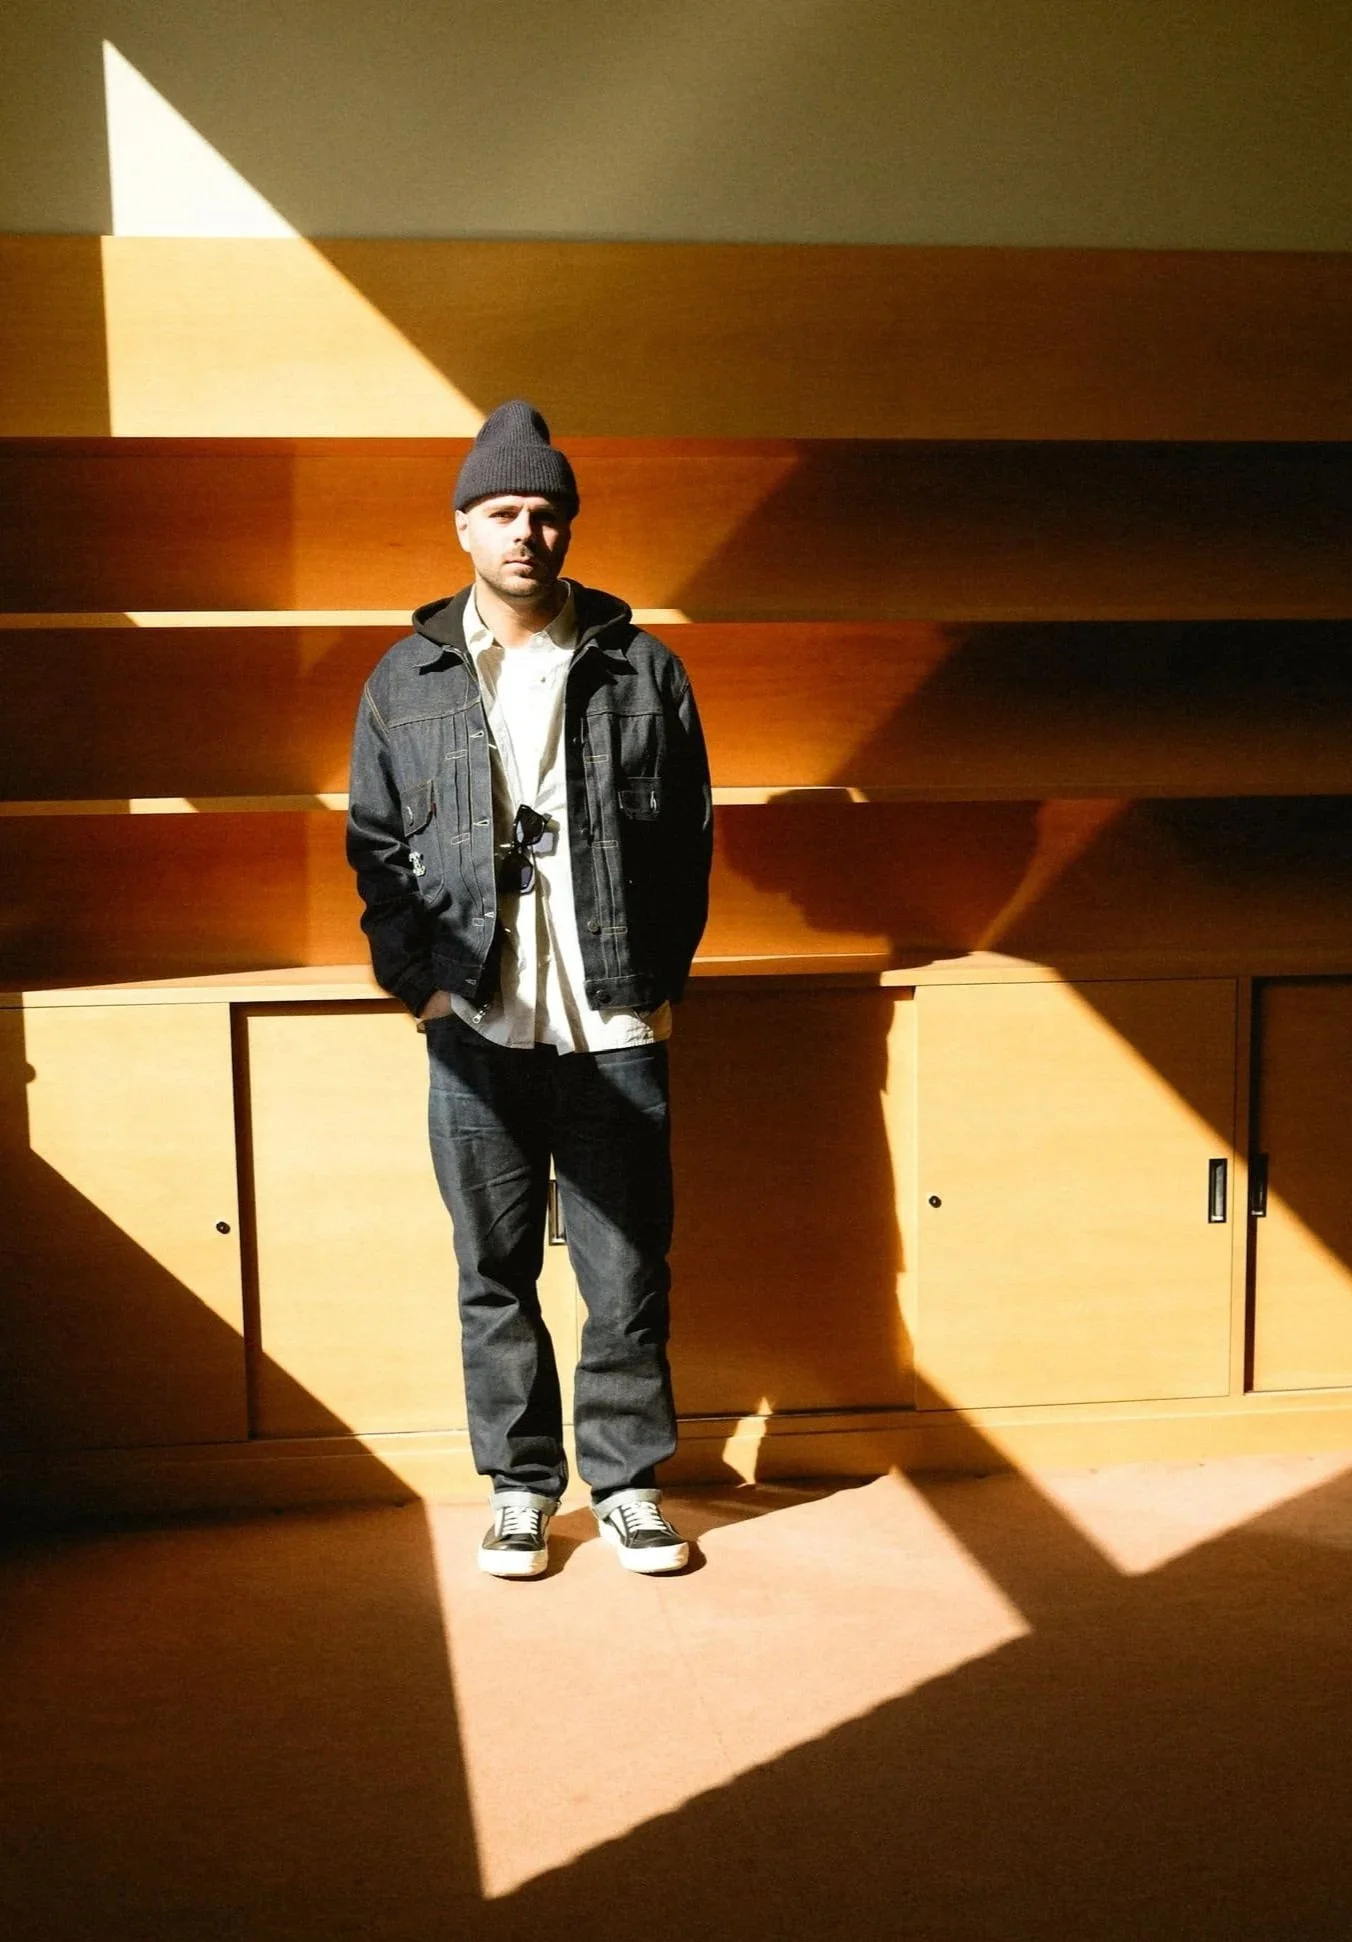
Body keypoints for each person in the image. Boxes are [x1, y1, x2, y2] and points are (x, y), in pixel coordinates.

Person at [347, 401, 713, 1578]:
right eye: (502, 510)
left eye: (546, 512)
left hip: (612, 1019)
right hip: (474, 1024)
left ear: (568, 528)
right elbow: (376, 847)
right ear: (462, 525)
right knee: (492, 1271)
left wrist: (654, 983)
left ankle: (627, 1484)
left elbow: (688, 844)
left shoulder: (641, 667)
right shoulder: (404, 678)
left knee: (625, 1272)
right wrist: (421, 987)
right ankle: (518, 1487)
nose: (525, 532)